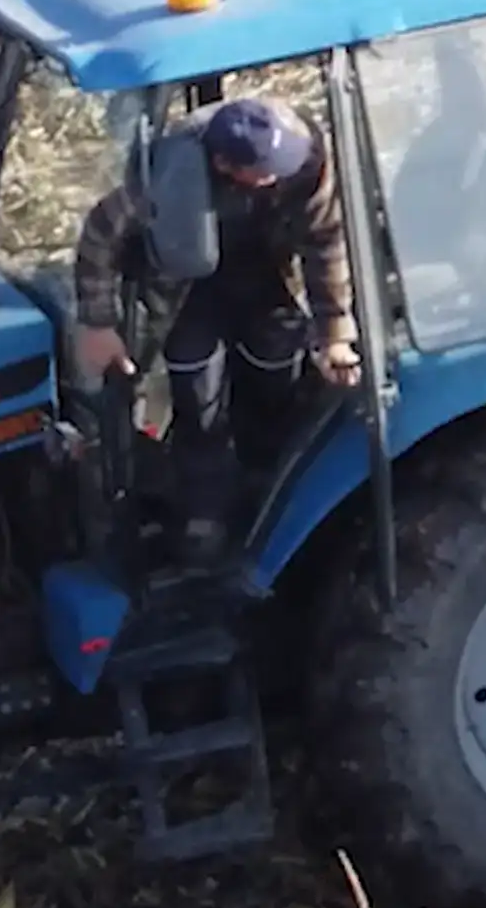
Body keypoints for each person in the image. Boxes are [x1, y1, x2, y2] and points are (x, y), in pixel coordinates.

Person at [65, 95, 362, 561]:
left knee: (276, 371)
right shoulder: (167, 174)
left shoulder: (303, 160)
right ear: (224, 164)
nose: (279, 175)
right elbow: (101, 235)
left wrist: (335, 333)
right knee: (198, 394)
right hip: (186, 291)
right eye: (266, 170)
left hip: (266, 274)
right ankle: (206, 509)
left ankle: (272, 483)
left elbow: (326, 240)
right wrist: (98, 322)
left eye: (283, 164)